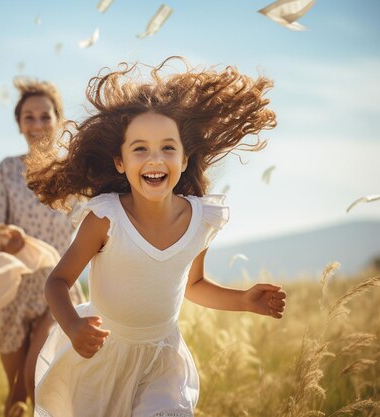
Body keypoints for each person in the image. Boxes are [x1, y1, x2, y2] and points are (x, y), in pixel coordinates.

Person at [26, 57, 287, 417]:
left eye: (167, 147)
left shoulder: (200, 220)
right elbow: (58, 281)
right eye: (140, 149)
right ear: (120, 162)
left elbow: (192, 284)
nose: (155, 159)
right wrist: (72, 325)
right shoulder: (106, 218)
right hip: (101, 356)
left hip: (162, 361)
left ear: (184, 159)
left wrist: (243, 300)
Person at [0, 78, 85, 416]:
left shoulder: (75, 174)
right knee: (18, 395)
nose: (37, 125)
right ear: (19, 122)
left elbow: (91, 230)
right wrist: (5, 239)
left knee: (36, 381)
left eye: (45, 116)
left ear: (59, 120)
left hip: (59, 287)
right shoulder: (7, 170)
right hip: (12, 292)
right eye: (29, 117)